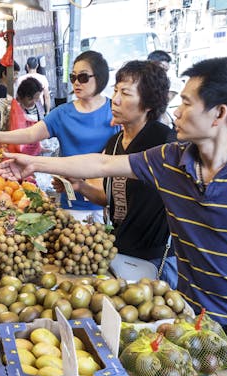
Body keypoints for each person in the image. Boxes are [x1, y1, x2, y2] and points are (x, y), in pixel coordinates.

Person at [0, 56, 227, 376]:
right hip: (189, 316)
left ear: (219, 114)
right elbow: (103, 163)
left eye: (187, 103)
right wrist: (34, 162)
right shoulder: (170, 159)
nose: (177, 112)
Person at [0, 51, 119, 221]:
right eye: (73, 77)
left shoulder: (116, 112)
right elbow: (31, 134)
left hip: (109, 202)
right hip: (73, 202)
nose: (76, 83)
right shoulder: (62, 114)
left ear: (101, 78)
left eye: (83, 77)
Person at [70, 60, 178, 287]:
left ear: (148, 103)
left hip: (153, 261)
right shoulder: (115, 142)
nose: (115, 100)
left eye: (125, 93)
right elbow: (115, 198)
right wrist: (81, 187)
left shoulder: (162, 141)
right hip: (118, 255)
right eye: (116, 91)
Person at [10, 77, 45, 156]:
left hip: (35, 152)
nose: (34, 102)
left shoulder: (37, 105)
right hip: (19, 153)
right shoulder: (13, 108)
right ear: (21, 96)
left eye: (36, 99)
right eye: (30, 99)